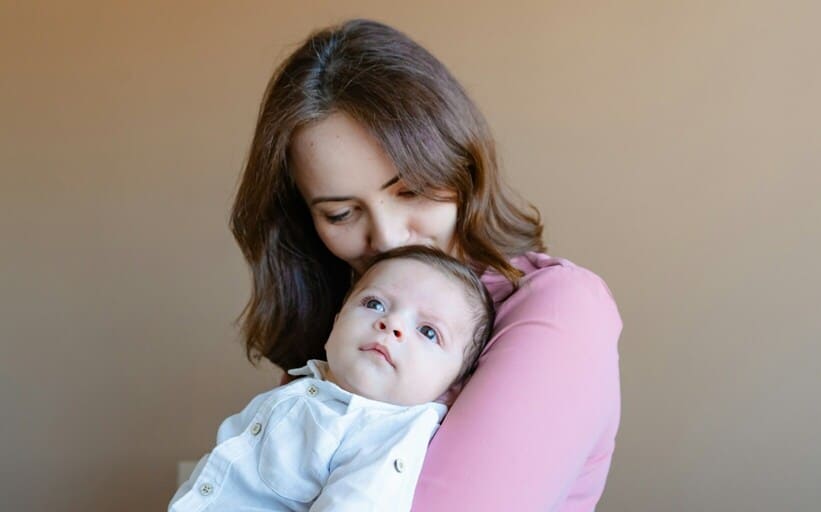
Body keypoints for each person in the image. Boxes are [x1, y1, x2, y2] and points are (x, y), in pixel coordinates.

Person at [229, 18, 622, 511]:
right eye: (341, 213)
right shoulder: (353, 335)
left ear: (461, 164)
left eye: (411, 190)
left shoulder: (560, 309)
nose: (389, 238)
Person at [169, 246, 495, 511]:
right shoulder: (309, 388)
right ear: (336, 323)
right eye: (374, 303)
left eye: (427, 331)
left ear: (452, 388)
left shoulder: (388, 432)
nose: (392, 323)